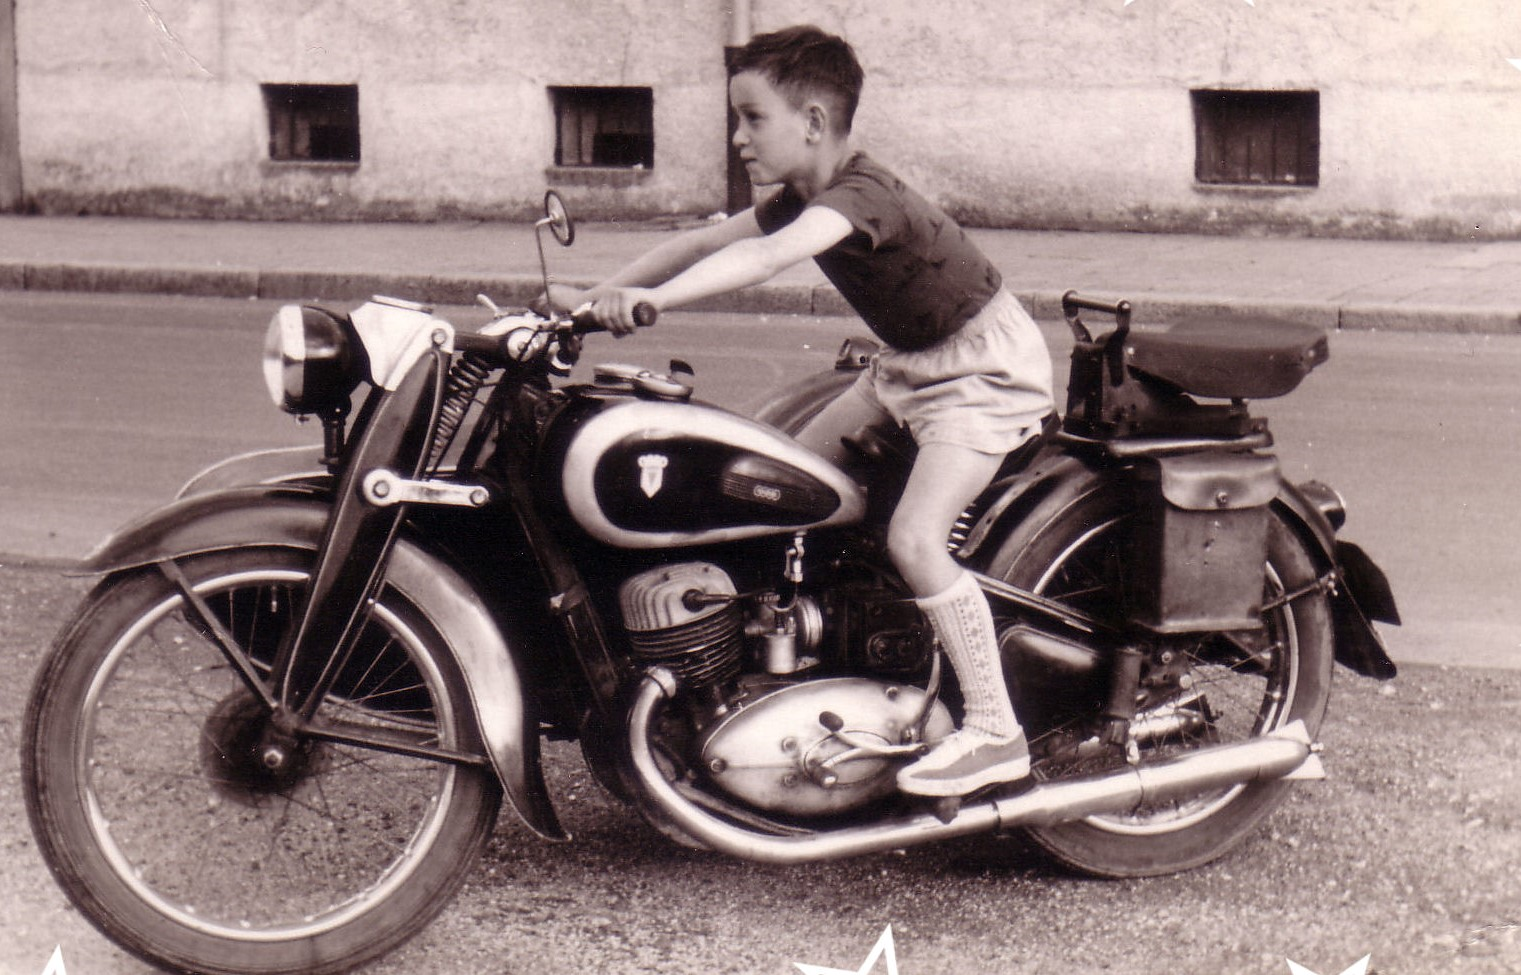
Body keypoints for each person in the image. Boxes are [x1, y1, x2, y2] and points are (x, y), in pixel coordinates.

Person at [553, 24, 1055, 797]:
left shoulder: (860, 195)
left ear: (813, 121)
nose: (738, 138)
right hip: (906, 366)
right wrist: (591, 301)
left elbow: (762, 258)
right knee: (786, 490)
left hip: (982, 373)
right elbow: (700, 243)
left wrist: (652, 304)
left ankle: (994, 729)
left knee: (915, 538)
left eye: (753, 118)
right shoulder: (801, 194)